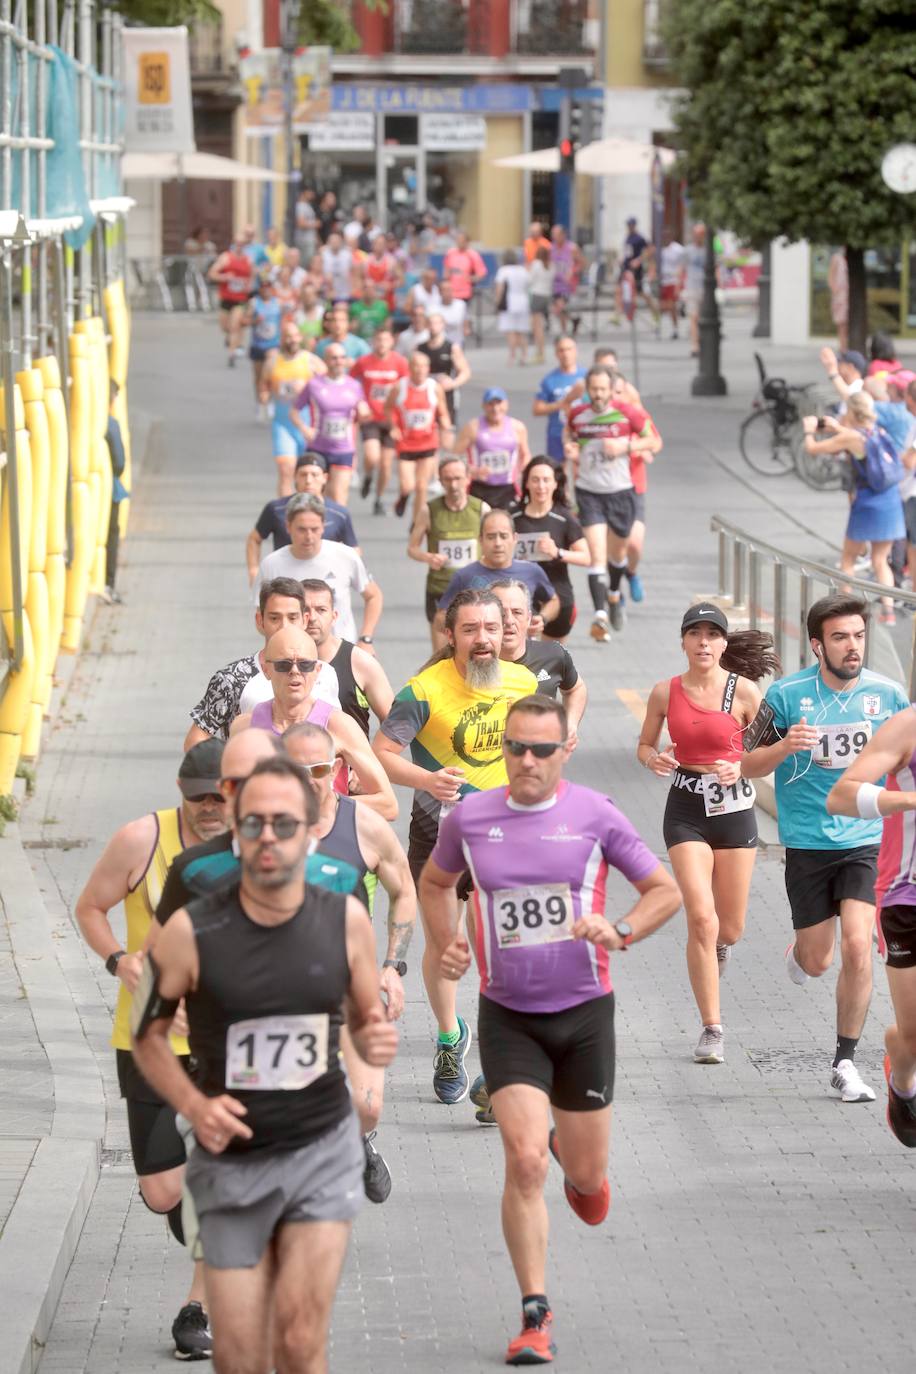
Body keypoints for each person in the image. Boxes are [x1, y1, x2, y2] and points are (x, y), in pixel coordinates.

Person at [419, 695, 680, 1365]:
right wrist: (449, 943)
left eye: (541, 749)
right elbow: (434, 881)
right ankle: (534, 1312)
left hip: (585, 1014)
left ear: (566, 750)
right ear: (502, 747)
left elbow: (665, 891)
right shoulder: (472, 817)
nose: (526, 761)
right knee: (524, 1161)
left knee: (589, 1188)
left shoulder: (595, 814)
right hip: (508, 1015)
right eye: (515, 747)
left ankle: (577, 1156)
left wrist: (619, 929)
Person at [130, 757, 398, 1374]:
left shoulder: (346, 919)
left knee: (301, 1341)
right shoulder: (192, 932)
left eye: (284, 824)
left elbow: (363, 1015)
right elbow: (147, 1036)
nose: (269, 839)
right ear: (233, 828)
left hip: (320, 1150)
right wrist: (194, 1106)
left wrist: (373, 1038)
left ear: (311, 831)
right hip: (231, 1158)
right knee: (241, 1354)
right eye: (254, 824)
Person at [74, 740, 229, 1361]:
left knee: (219, 1175)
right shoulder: (142, 839)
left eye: (222, 795)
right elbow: (89, 908)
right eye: (200, 797)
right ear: (179, 789)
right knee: (164, 1190)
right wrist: (119, 960)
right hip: (148, 1039)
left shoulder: (254, 849)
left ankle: (201, 1305)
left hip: (227, 1044)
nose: (211, 808)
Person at [741, 594, 910, 1103]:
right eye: (839, 637)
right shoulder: (788, 695)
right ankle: (803, 953)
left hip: (867, 842)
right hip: (808, 842)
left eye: (859, 636)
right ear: (817, 645)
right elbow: (746, 764)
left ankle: (844, 1062)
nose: (852, 646)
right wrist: (783, 747)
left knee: (860, 946)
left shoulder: (890, 695)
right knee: (819, 961)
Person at [373, 589, 539, 1104]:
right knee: (445, 948)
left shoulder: (523, 682)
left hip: (503, 834)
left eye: (491, 628)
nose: (483, 640)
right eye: (470, 630)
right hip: (437, 832)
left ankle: (497, 1059)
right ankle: (450, 1038)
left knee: (496, 944)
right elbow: (381, 754)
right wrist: (427, 781)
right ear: (451, 636)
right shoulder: (422, 692)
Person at [638, 605, 778, 1063]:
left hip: (735, 809)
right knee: (701, 917)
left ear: (723, 644)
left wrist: (741, 764)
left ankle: (720, 944)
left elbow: (768, 748)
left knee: (729, 928)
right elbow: (645, 744)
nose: (703, 642)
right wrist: (653, 758)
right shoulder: (665, 691)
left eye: (712, 635)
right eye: (694, 634)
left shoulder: (746, 692)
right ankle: (712, 1029)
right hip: (685, 808)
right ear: (682, 641)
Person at [284, 722, 415, 1201]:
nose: (307, 780)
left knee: (367, 1106)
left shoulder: (363, 825)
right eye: (294, 770)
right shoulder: (261, 830)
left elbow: (404, 892)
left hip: (354, 983)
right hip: (286, 990)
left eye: (317, 769)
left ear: (336, 770)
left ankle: (360, 1140)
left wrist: (392, 966)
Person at [826, 703, 916, 1146]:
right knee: (913, 1036)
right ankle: (902, 1079)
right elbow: (841, 795)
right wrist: (908, 799)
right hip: (908, 899)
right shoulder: (909, 725)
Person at [231, 626, 397, 819]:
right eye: (284, 665)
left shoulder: (339, 725)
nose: (295, 671)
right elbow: (229, 795)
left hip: (326, 842)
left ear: (318, 670)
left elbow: (387, 804)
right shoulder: (244, 727)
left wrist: (324, 803)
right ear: (267, 669)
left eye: (305, 665)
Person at [185, 579, 340, 749]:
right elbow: (195, 741)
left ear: (305, 619)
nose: (284, 626)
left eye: (292, 617)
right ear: (260, 620)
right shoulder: (233, 679)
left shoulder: (326, 673)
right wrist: (231, 768)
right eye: (274, 618)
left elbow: (340, 736)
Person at [564, 365, 654, 638]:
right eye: (594, 389)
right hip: (589, 493)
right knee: (596, 555)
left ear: (610, 389)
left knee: (618, 554)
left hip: (621, 492)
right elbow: (569, 435)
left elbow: (652, 441)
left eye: (603, 389)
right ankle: (600, 615)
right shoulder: (577, 415)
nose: (598, 395)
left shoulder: (628, 414)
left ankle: (614, 594)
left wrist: (625, 447)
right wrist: (570, 447)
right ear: (587, 389)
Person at [802, 391, 904, 625]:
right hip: (890, 500)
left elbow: (813, 449)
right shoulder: (878, 430)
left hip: (868, 503)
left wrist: (809, 430)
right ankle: (888, 612)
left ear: (851, 411)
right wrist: (837, 427)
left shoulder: (851, 438)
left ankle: (843, 611)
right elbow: (852, 436)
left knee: (848, 558)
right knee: (880, 559)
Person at [253, 493, 382, 646]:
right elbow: (262, 618)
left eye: (314, 529)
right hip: (293, 657)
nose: (309, 536)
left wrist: (366, 639)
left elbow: (373, 596)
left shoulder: (346, 555)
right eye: (302, 529)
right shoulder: (271, 564)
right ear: (288, 527)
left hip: (340, 652)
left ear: (323, 526)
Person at [408, 455, 488, 650]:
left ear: (468, 478)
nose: (453, 485)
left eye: (458, 478)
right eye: (448, 479)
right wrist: (428, 557)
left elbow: (493, 545)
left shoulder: (481, 509)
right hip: (441, 589)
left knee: (477, 649)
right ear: (441, 481)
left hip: (474, 589)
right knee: (443, 654)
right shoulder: (429, 510)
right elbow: (412, 548)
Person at [300, 578, 394, 735]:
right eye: (305, 610)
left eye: (321, 610)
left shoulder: (360, 662)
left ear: (334, 616)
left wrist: (371, 757)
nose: (313, 618)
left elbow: (394, 724)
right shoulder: (280, 664)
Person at [437, 508, 560, 629]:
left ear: (515, 538)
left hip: (521, 647)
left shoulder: (532, 571)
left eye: (504, 536)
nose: (498, 543)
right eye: (491, 537)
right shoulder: (463, 576)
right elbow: (440, 618)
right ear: (481, 540)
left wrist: (542, 618)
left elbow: (553, 601)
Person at [491, 579, 587, 732]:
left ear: (529, 618)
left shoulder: (553, 655)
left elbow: (575, 689)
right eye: (501, 613)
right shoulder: (471, 664)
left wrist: (569, 726)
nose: (509, 620)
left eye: (517, 612)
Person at [246, 452, 359, 582]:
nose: (309, 481)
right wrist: (253, 570)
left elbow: (353, 550)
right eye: (303, 474)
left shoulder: (339, 514)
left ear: (325, 478)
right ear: (295, 477)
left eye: (314, 475)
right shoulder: (276, 509)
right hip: (285, 585)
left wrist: (345, 577)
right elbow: (254, 539)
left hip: (324, 586)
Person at [511, 457, 589, 642]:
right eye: (535, 480)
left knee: (551, 667)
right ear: (527, 483)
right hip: (518, 599)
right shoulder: (512, 517)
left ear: (555, 484)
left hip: (557, 598)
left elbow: (587, 557)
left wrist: (558, 553)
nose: (541, 486)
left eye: (546, 480)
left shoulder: (564, 519)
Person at [293, 343, 369, 505]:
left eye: (342, 357)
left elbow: (363, 412)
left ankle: (336, 530)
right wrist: (304, 429)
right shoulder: (314, 384)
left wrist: (364, 412)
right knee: (314, 499)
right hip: (318, 449)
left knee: (339, 499)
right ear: (326, 361)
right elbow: (294, 411)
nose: (339, 362)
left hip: (344, 449)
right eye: (334, 358)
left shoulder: (354, 386)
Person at [261, 320, 326, 497]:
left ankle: (311, 508)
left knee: (310, 473)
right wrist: (265, 396)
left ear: (300, 337)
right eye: (287, 336)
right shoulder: (272, 362)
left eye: (294, 335)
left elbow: (328, 387)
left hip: (307, 423)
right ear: (282, 339)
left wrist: (307, 387)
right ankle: (284, 516)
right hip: (283, 424)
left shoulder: (312, 361)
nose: (291, 340)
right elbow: (264, 386)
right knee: (286, 469)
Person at [385, 350, 453, 519]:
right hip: (406, 443)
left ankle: (416, 523)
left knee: (422, 486)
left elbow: (443, 412)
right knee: (408, 486)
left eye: (423, 366)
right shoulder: (399, 387)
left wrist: (446, 427)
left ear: (428, 368)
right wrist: (393, 427)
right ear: (410, 367)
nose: (420, 370)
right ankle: (403, 497)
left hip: (428, 442)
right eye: (416, 365)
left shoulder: (434, 388)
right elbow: (388, 408)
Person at [351, 327, 409, 515]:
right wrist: (359, 403)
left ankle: (379, 498)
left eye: (385, 340)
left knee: (386, 464)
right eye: (378, 340)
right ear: (373, 342)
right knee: (372, 456)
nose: (382, 344)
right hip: (371, 417)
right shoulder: (364, 362)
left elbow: (407, 389)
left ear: (392, 342)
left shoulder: (399, 363)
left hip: (391, 419)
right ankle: (368, 475)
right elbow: (350, 383)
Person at [455, 387, 531, 511]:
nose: (495, 409)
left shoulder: (517, 427)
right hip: (479, 487)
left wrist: (522, 472)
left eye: (499, 403)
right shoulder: (473, 427)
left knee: (508, 524)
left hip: (508, 488)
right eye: (490, 404)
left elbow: (525, 454)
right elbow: (455, 456)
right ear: (484, 406)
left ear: (506, 404)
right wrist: (472, 470)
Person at [533, 336, 586, 466]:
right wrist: (562, 403)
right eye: (561, 350)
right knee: (558, 474)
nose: (565, 354)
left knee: (581, 472)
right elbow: (537, 409)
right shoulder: (549, 380)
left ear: (576, 351)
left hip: (582, 431)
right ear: (556, 353)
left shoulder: (587, 376)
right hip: (557, 432)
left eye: (569, 349)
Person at [418, 310, 471, 430]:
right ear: (426, 325)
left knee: (447, 429)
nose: (433, 327)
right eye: (430, 323)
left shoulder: (451, 347)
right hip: (425, 394)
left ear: (443, 325)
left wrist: (453, 383)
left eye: (437, 323)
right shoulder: (420, 348)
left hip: (446, 395)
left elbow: (465, 372)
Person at [102, 380, 129, 606]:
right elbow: (120, 463)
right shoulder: (110, 424)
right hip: (109, 491)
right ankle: (108, 584)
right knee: (110, 537)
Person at [208, 235, 254, 363]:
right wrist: (224, 277)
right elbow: (212, 274)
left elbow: (252, 277)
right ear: (233, 244)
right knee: (224, 327)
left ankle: (231, 354)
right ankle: (230, 339)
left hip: (240, 299)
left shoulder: (248, 260)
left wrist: (248, 285)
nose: (239, 246)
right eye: (237, 243)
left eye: (242, 244)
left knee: (234, 326)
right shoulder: (225, 258)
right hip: (226, 298)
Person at [243, 279, 283, 419]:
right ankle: (260, 403)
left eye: (268, 287)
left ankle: (271, 402)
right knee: (258, 377)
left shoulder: (278, 303)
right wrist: (255, 321)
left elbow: (284, 321)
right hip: (258, 345)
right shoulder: (254, 303)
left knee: (271, 375)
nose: (266, 290)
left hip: (273, 345)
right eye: (263, 287)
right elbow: (244, 321)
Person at [614, 217, 658, 329]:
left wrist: (639, 260)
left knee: (641, 292)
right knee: (619, 290)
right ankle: (617, 315)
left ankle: (655, 312)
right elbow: (627, 253)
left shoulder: (640, 238)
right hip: (625, 268)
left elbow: (650, 249)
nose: (629, 227)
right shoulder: (627, 237)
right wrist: (621, 260)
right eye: (628, 225)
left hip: (635, 270)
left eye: (631, 225)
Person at [496, 249, 532, 365]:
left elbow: (500, 287)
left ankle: (512, 355)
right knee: (521, 331)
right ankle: (524, 355)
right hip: (523, 301)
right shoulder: (523, 270)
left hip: (509, 301)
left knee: (511, 330)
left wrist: (497, 301)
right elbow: (529, 284)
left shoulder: (503, 271)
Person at [315, 303, 371, 369]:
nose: (337, 324)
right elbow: (317, 368)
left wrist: (356, 364)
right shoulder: (321, 345)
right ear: (329, 324)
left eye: (342, 320)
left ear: (348, 323)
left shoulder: (359, 344)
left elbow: (369, 365)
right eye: (334, 320)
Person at [549, 225, 582, 335]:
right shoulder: (551, 248)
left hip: (568, 284)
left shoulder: (572, 248)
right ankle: (571, 323)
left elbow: (581, 263)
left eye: (556, 235)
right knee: (558, 309)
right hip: (555, 283)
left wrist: (573, 271)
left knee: (561, 307)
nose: (554, 237)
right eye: (553, 235)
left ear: (563, 235)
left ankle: (565, 331)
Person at [443, 229, 486, 304]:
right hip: (451, 292)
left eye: (462, 240)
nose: (459, 242)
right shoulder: (450, 253)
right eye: (458, 240)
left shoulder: (473, 255)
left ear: (467, 242)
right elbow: (446, 269)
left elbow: (482, 272)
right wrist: (446, 280)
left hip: (465, 293)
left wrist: (471, 279)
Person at [684, 223, 708, 358]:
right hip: (692, 287)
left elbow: (715, 267)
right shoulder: (688, 250)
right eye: (697, 234)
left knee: (702, 318)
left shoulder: (708, 250)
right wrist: (678, 287)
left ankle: (701, 342)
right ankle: (695, 345)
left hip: (705, 288)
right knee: (693, 317)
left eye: (701, 234)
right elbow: (682, 268)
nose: (699, 237)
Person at [527, 246, 553, 366]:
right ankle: (540, 352)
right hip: (546, 295)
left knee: (537, 327)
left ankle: (540, 352)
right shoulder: (551, 265)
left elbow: (530, 280)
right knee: (540, 326)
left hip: (537, 294)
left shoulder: (536, 264)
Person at [658, 229, 685, 340]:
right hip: (663, 281)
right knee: (664, 306)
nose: (665, 238)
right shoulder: (661, 250)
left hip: (674, 280)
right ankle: (680, 308)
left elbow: (683, 263)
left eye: (667, 236)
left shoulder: (678, 249)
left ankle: (675, 329)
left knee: (671, 305)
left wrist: (680, 278)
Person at [321, 228, 356, 302]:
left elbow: (353, 272)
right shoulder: (323, 254)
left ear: (341, 242)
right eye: (332, 241)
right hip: (328, 293)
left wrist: (353, 288)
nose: (335, 243)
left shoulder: (347, 254)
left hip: (345, 292)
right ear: (328, 242)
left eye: (337, 241)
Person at [828, 249, 849, 353]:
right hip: (840, 296)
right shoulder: (837, 258)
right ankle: (843, 349)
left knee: (848, 324)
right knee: (842, 324)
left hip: (850, 295)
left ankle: (847, 348)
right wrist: (836, 291)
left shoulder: (851, 258)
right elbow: (831, 277)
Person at [437, 277, 469, 344]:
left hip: (457, 342)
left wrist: (466, 328)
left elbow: (465, 319)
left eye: (449, 289)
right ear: (439, 292)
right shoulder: (434, 307)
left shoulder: (461, 305)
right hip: (440, 343)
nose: (447, 292)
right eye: (444, 290)